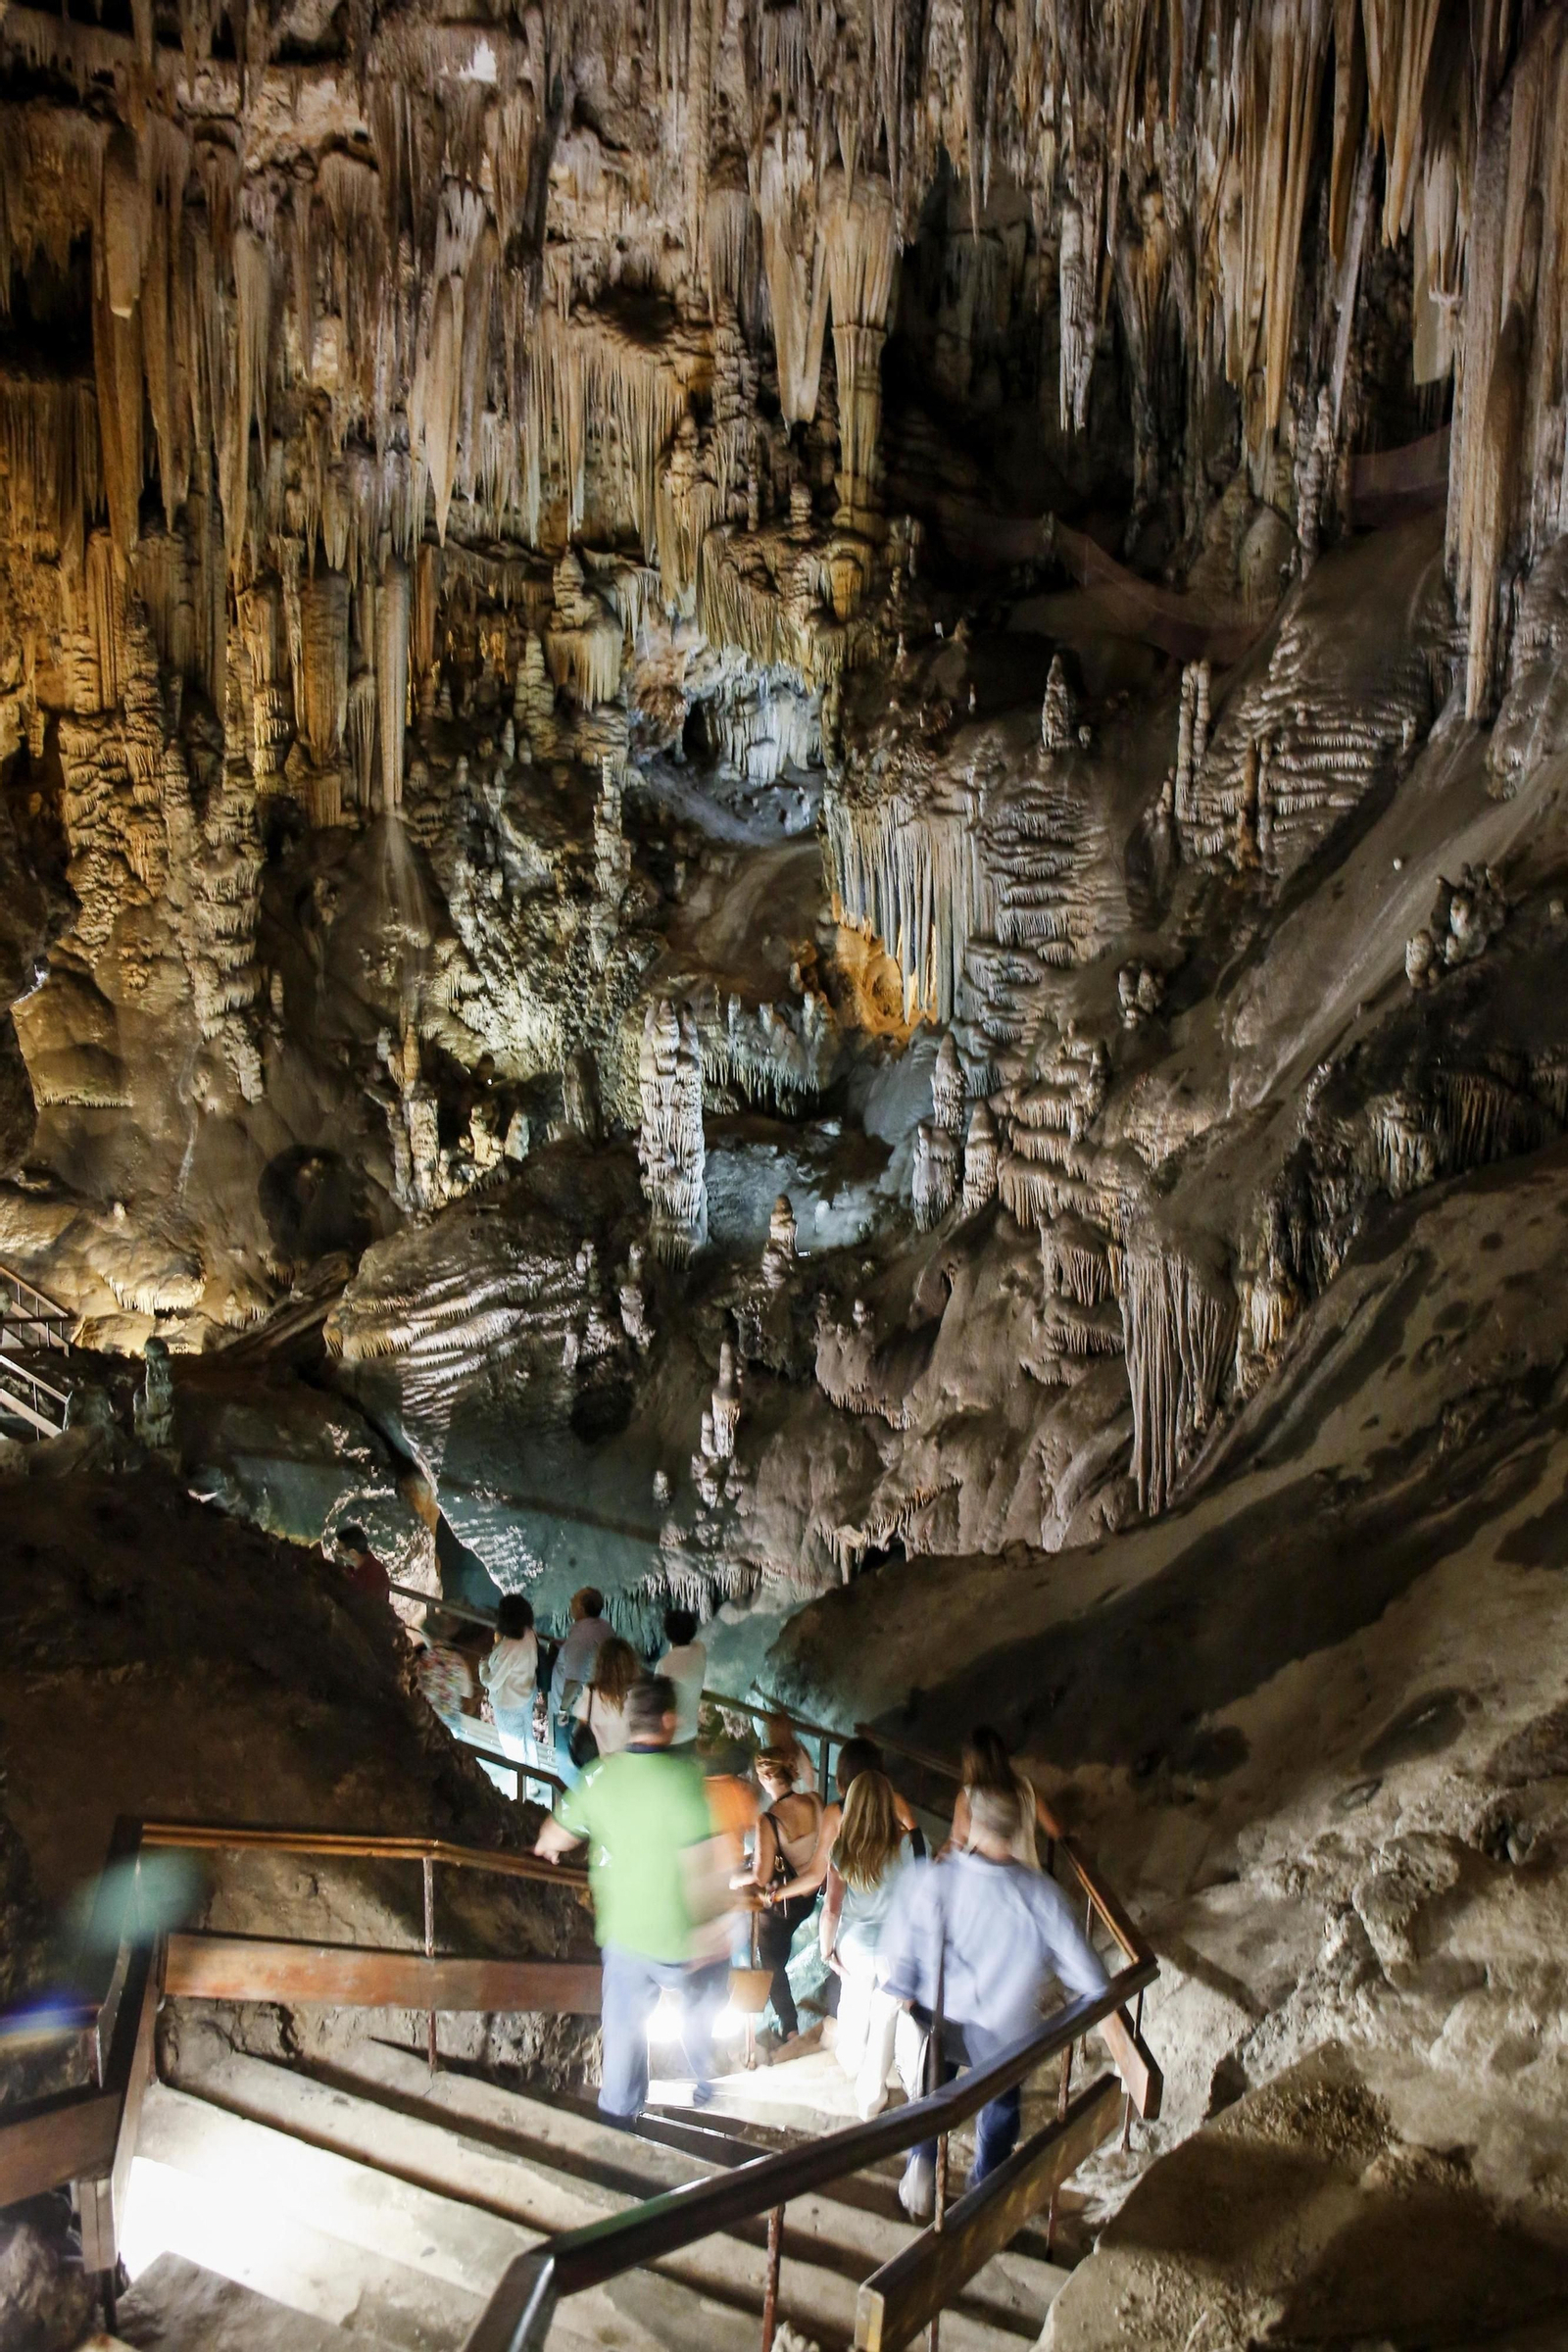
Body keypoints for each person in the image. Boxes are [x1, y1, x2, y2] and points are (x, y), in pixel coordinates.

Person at [879, 1782, 1109, 2221]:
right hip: (1004, 2034)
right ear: (1019, 1827)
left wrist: (908, 1993)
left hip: (943, 2021)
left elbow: (903, 1953)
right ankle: (983, 2196)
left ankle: (920, 2170)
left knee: (932, 2090)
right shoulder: (1040, 1894)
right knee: (1001, 2109)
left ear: (973, 1823)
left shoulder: (937, 1878)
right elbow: (1092, 1979)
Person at [535, 1677, 729, 2120]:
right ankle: (708, 2077)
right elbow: (701, 1862)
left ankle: (619, 2117)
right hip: (676, 1936)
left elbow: (553, 1837)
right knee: (710, 1987)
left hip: (622, 1933)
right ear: (668, 1721)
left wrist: (551, 1846)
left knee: (624, 2026)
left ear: (627, 1722)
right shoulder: (684, 1778)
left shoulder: (600, 1774)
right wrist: (709, 1929)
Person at [819, 1769, 917, 2117]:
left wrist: (826, 1950)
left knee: (855, 1999)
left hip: (855, 1943)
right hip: (894, 1945)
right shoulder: (907, 1845)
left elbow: (831, 1908)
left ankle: (851, 2057)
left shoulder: (842, 1849)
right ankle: (871, 2097)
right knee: (885, 2016)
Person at [765, 1736, 924, 1909]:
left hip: (853, 1908)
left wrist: (777, 1894)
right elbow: (918, 1850)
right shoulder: (895, 1802)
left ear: (843, 1776)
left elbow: (817, 1875)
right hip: (891, 1903)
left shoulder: (836, 1813)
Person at [738, 1747, 823, 2044]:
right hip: (810, 1895)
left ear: (770, 1775)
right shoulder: (814, 1801)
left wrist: (736, 1878)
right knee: (779, 1949)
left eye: (761, 1776)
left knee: (770, 1959)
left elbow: (761, 1876)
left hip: (785, 1902)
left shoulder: (769, 1819)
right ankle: (785, 2021)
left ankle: (789, 2027)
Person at [944, 1726, 1042, 1870]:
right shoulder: (1026, 1787)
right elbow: (1055, 1828)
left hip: (987, 1877)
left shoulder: (968, 1796)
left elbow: (956, 1844)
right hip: (1027, 1874)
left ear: (970, 1762)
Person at [550, 1587, 614, 1762]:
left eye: (575, 1599)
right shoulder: (603, 1626)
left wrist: (563, 1711)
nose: (571, 1600)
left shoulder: (580, 1638)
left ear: (582, 1607)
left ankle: (570, 1786)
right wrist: (566, 1647)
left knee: (567, 1759)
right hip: (594, 1706)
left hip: (573, 1711)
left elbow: (573, 1681)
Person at [479, 1593, 539, 1765]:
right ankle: (535, 1778)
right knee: (528, 1740)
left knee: (514, 1750)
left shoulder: (508, 1646)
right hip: (526, 1697)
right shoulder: (529, 1633)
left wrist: (483, 1665)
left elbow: (492, 1681)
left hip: (508, 1704)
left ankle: (523, 1788)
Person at [571, 1635, 640, 1761]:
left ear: (600, 1665)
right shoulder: (638, 1696)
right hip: (628, 1763)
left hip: (599, 1765)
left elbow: (581, 1726)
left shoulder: (591, 1694)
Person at [415, 1613, 479, 1734]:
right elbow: (467, 1693)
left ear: (427, 1637)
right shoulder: (458, 1660)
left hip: (426, 1722)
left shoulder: (421, 1661)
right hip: (451, 1725)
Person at [655, 1607, 707, 1751]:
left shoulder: (664, 1665)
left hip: (671, 1736)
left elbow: (658, 1702)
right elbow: (693, 1643)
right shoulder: (700, 1651)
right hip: (691, 1731)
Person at [335, 1524, 389, 1604]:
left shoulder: (373, 1578)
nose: (338, 1554)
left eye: (340, 1551)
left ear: (353, 1553)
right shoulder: (357, 1567)